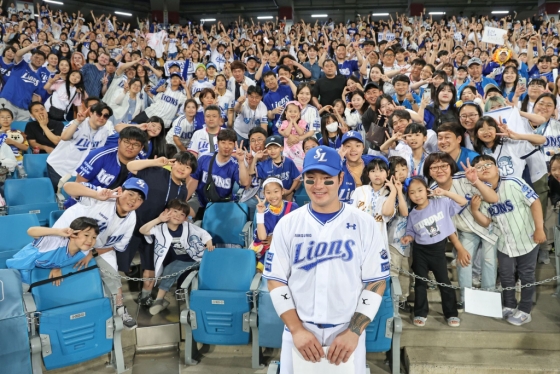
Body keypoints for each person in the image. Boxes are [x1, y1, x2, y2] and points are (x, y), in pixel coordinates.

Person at [264, 145, 389, 374]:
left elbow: (376, 282)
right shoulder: (288, 224)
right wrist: (296, 329)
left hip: (346, 334)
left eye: (326, 178)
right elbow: (275, 280)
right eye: (311, 179)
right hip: (299, 333)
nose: (318, 186)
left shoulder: (364, 223)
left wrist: (354, 332)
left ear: (341, 178)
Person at [53, 178, 149, 329]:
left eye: (139, 199)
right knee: (59, 276)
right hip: (65, 240)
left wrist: (93, 253)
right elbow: (68, 186)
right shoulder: (103, 196)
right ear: (120, 191)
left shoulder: (132, 218)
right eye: (130, 194)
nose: (133, 201)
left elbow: (116, 246)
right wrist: (96, 194)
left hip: (98, 247)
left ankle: (119, 308)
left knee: (113, 275)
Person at [471, 155, 546, 326]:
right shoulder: (480, 193)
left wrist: (539, 228)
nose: (485, 168)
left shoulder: (513, 181)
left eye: (488, 164)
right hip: (504, 242)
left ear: (497, 168)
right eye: (479, 167)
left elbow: (535, 202)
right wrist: (475, 210)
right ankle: (509, 305)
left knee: (527, 275)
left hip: (527, 237)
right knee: (505, 275)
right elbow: (486, 221)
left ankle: (525, 310)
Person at [125, 152, 197, 306]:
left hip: (154, 231)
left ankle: (145, 297)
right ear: (173, 162)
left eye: (188, 167)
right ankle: (115, 300)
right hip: (132, 224)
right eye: (180, 163)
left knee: (150, 266)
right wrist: (156, 162)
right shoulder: (156, 171)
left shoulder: (183, 190)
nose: (182, 169)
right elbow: (130, 166)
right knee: (120, 263)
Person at [401, 176, 466, 327]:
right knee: (420, 283)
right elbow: (411, 231)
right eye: (412, 192)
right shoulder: (412, 214)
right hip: (420, 251)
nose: (417, 195)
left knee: (444, 282)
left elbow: (462, 202)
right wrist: (408, 238)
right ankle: (420, 312)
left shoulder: (441, 203)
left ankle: (451, 313)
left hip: (438, 251)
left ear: (427, 190)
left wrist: (445, 193)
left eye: (420, 190)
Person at [140, 199, 214, 315]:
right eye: (175, 211)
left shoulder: (188, 226)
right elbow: (143, 230)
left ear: (185, 218)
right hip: (182, 261)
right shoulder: (161, 228)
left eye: (182, 214)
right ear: (167, 211)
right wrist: (159, 219)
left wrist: (208, 242)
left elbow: (203, 233)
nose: (178, 216)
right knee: (169, 270)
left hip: (200, 258)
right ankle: (159, 301)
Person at [6, 217, 99, 287]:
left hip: (37, 273)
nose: (90, 241)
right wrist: (58, 231)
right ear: (73, 235)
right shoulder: (54, 241)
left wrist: (56, 267)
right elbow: (30, 231)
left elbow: (63, 260)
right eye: (86, 235)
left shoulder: (84, 252)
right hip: (19, 268)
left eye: (94, 237)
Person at [46, 103, 114, 191]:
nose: (101, 117)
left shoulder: (104, 131)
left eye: (105, 116)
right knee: (56, 195)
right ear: (91, 113)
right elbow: (64, 137)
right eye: (99, 114)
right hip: (59, 167)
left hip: (76, 171)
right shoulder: (78, 123)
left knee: (68, 196)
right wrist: (77, 122)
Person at [188, 129, 251, 220]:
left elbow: (245, 183)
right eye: (223, 142)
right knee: (183, 212)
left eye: (230, 143)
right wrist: (183, 202)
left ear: (234, 145)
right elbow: (193, 181)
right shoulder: (204, 159)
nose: (226, 146)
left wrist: (241, 161)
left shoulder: (235, 165)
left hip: (222, 205)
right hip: (200, 200)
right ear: (217, 143)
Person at [251, 177, 299, 272]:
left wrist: (276, 238)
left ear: (282, 191)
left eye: (276, 191)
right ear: (264, 194)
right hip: (270, 253)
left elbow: (298, 231)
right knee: (258, 272)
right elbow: (262, 237)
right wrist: (260, 213)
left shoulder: (293, 207)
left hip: (290, 250)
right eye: (268, 193)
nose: (273, 196)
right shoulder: (264, 213)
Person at [0, 41, 45, 121]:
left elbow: (35, 97)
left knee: (20, 132)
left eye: (41, 59)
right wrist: (30, 47)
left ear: (44, 62)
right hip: (8, 101)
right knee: (3, 128)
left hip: (24, 109)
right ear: (31, 57)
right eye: (36, 57)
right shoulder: (22, 65)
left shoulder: (39, 79)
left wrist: (35, 110)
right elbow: (17, 54)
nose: (38, 60)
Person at [250, 135, 301, 202]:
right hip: (271, 198)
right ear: (266, 150)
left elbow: (297, 179)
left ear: (281, 148)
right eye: (269, 148)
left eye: (275, 147)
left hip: (287, 196)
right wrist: (255, 158)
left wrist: (290, 191)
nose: (272, 151)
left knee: (289, 210)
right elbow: (251, 172)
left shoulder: (289, 162)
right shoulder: (264, 164)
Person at [278, 101, 313, 172]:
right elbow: (287, 133)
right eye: (290, 111)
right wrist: (291, 122)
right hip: (288, 147)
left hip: (299, 147)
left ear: (299, 113)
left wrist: (295, 122)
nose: (293, 113)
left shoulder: (302, 122)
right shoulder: (284, 123)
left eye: (295, 111)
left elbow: (301, 133)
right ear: (286, 113)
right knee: (288, 166)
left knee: (300, 165)